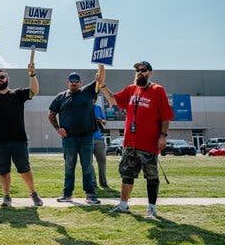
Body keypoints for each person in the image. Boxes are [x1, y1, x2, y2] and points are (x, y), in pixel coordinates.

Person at [98, 62, 173, 218]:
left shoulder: (158, 90)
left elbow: (166, 117)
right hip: (130, 143)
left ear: (150, 73)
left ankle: (151, 209)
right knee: (127, 174)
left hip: (149, 143)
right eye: (137, 70)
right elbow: (112, 100)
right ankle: (123, 205)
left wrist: (163, 136)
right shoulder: (131, 89)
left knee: (151, 176)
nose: (139, 72)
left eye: (143, 70)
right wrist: (102, 85)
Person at [0, 66, 44, 207]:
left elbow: (34, 91)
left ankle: (33, 193)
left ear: (7, 79)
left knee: (25, 169)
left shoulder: (18, 94)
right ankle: (6, 197)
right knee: (3, 172)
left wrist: (32, 74)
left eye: (2, 77)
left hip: (18, 140)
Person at [48, 70, 102, 205]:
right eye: (71, 81)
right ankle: (67, 194)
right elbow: (51, 115)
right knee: (69, 166)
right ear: (67, 82)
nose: (74, 83)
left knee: (87, 166)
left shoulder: (87, 92)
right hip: (69, 138)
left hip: (86, 137)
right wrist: (58, 128)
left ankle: (90, 195)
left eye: (76, 81)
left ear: (80, 82)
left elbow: (100, 80)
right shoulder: (61, 97)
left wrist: (101, 71)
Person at [92, 97, 109, 189]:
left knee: (102, 161)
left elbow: (105, 122)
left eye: (94, 99)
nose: (93, 101)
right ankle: (93, 183)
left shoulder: (98, 108)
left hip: (99, 139)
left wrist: (101, 121)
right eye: (92, 99)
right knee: (88, 163)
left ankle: (103, 182)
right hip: (86, 140)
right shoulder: (83, 108)